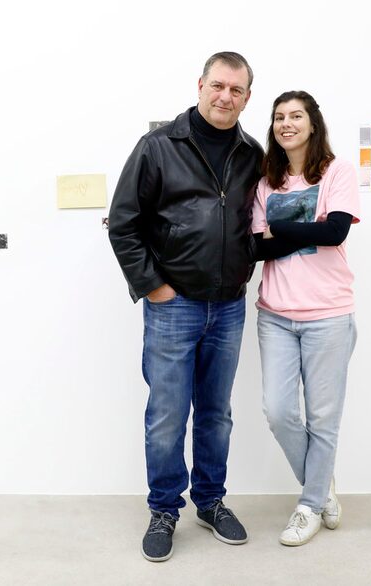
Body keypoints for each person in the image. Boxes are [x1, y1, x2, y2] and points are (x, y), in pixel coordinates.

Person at [108, 51, 263, 563]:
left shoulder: (251, 153)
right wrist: (153, 286)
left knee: (216, 415)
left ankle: (211, 501)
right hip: (174, 306)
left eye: (236, 90)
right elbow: (124, 222)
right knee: (168, 416)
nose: (225, 97)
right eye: (218, 85)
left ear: (246, 97)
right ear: (200, 85)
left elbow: (254, 222)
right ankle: (164, 509)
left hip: (229, 307)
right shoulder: (158, 146)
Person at [251, 90, 360, 547]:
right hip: (275, 314)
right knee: (278, 412)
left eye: (296, 116)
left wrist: (282, 230)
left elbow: (334, 232)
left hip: (328, 314)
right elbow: (259, 248)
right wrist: (297, 231)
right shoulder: (264, 182)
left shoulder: (337, 171)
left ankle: (309, 505)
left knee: (323, 417)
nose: (286, 124)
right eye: (279, 117)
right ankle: (320, 486)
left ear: (312, 123)